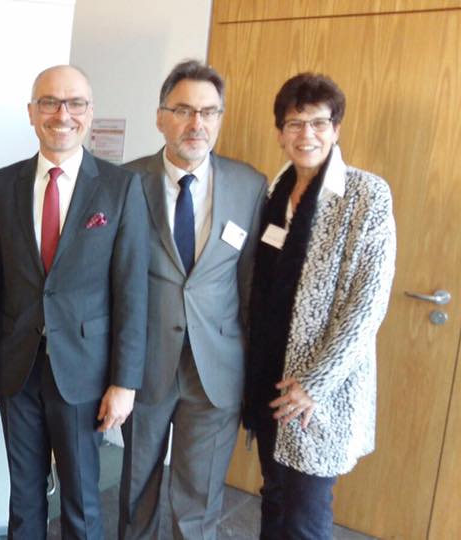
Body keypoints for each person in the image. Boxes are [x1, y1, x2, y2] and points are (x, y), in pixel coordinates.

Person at [0, 65, 149, 539]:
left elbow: (132, 293)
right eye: (49, 102)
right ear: (31, 112)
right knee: (23, 496)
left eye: (75, 103)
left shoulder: (120, 187)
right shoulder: (2, 185)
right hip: (17, 367)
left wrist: (125, 382)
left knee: (81, 500)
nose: (62, 114)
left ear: (90, 113)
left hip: (85, 371)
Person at [242, 72, 396, 539]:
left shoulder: (365, 195)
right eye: (294, 123)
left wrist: (314, 384)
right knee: (274, 497)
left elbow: (367, 305)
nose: (306, 134)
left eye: (318, 123)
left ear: (336, 129)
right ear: (280, 133)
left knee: (305, 515)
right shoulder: (273, 192)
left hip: (319, 391)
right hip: (270, 376)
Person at [118, 60, 267, 540]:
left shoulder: (249, 185)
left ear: (220, 118)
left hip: (216, 370)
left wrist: (253, 369)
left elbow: (250, 283)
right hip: (144, 365)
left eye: (208, 112)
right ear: (161, 117)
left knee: (198, 501)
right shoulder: (123, 182)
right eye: (183, 110)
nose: (196, 123)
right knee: (136, 492)